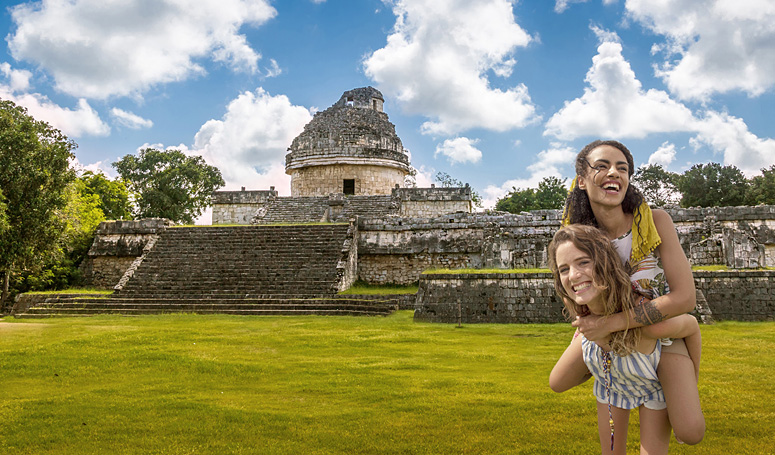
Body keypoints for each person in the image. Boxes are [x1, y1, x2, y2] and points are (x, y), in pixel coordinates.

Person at [561, 139, 704, 444]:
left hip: (656, 328)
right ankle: (618, 380)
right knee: (559, 381)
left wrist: (610, 323)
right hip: (607, 329)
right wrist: (589, 320)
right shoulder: (578, 233)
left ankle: (687, 334)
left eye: (622, 168)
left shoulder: (655, 221)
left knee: (690, 431)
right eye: (602, 166)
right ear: (582, 181)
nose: (614, 172)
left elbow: (684, 298)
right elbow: (568, 285)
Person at [548, 224, 701, 455]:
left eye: (583, 262)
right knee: (557, 382)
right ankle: (601, 366)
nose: (574, 274)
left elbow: (692, 326)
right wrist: (588, 336)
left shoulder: (645, 318)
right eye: (564, 269)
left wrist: (691, 381)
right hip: (610, 377)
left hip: (651, 381)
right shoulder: (585, 314)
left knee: (690, 432)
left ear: (605, 264)